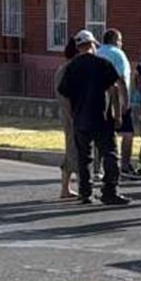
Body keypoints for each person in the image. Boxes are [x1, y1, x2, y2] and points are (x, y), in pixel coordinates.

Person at [57, 30, 130, 206]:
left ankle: (85, 192)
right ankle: (110, 191)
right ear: (92, 45)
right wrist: (121, 111)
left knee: (84, 157)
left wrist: (72, 116)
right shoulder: (102, 64)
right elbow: (116, 86)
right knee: (110, 154)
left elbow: (64, 94)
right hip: (102, 118)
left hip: (81, 118)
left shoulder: (71, 67)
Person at [97, 29, 137, 177]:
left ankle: (97, 168)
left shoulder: (97, 52)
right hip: (116, 100)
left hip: (98, 101)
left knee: (101, 135)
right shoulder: (118, 54)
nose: (122, 43)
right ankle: (125, 166)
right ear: (114, 40)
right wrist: (125, 103)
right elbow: (120, 79)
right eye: (120, 40)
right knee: (127, 134)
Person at [54, 37, 80, 197]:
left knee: (73, 148)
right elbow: (65, 96)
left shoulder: (64, 68)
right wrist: (72, 116)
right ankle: (66, 188)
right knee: (73, 149)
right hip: (71, 115)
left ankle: (67, 187)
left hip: (69, 114)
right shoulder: (68, 69)